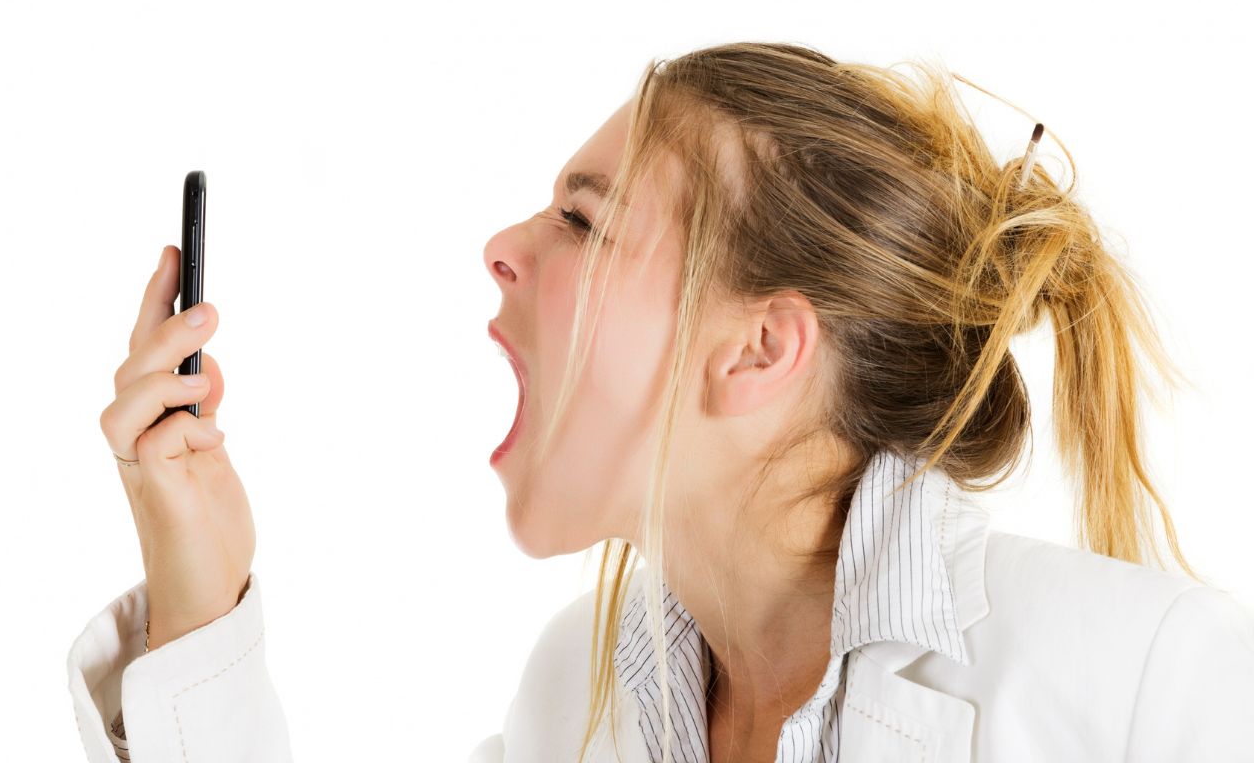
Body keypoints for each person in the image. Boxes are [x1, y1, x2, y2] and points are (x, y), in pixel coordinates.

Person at [67, 42, 1254, 762]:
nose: (501, 245)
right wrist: (197, 579)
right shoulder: (568, 701)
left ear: (756, 348)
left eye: (584, 219)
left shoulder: (1147, 685)